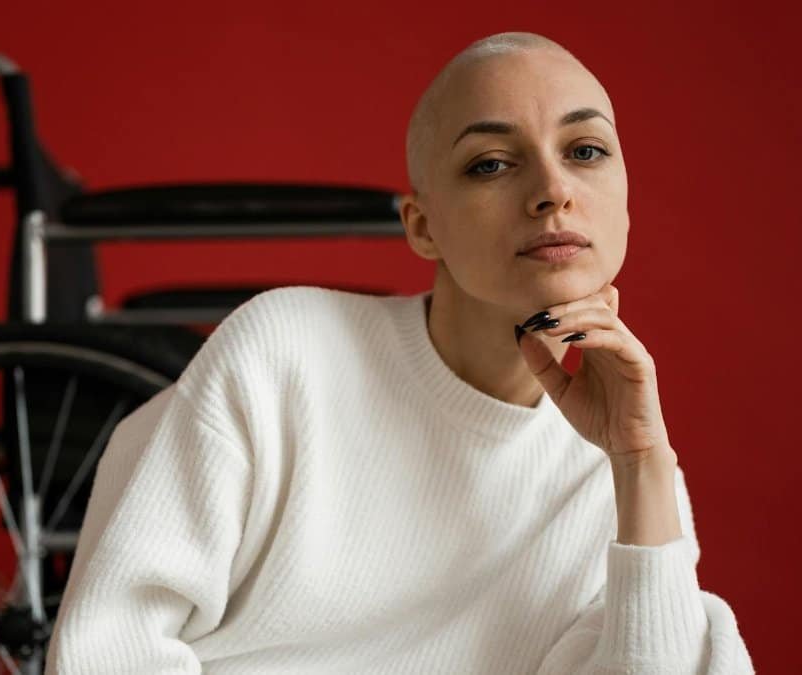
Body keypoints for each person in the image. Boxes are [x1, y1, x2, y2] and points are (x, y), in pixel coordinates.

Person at [44, 31, 755, 674]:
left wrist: (638, 461)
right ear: (422, 227)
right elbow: (109, 646)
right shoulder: (286, 359)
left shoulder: (623, 476)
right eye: (492, 164)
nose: (553, 191)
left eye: (586, 151)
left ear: (625, 201)